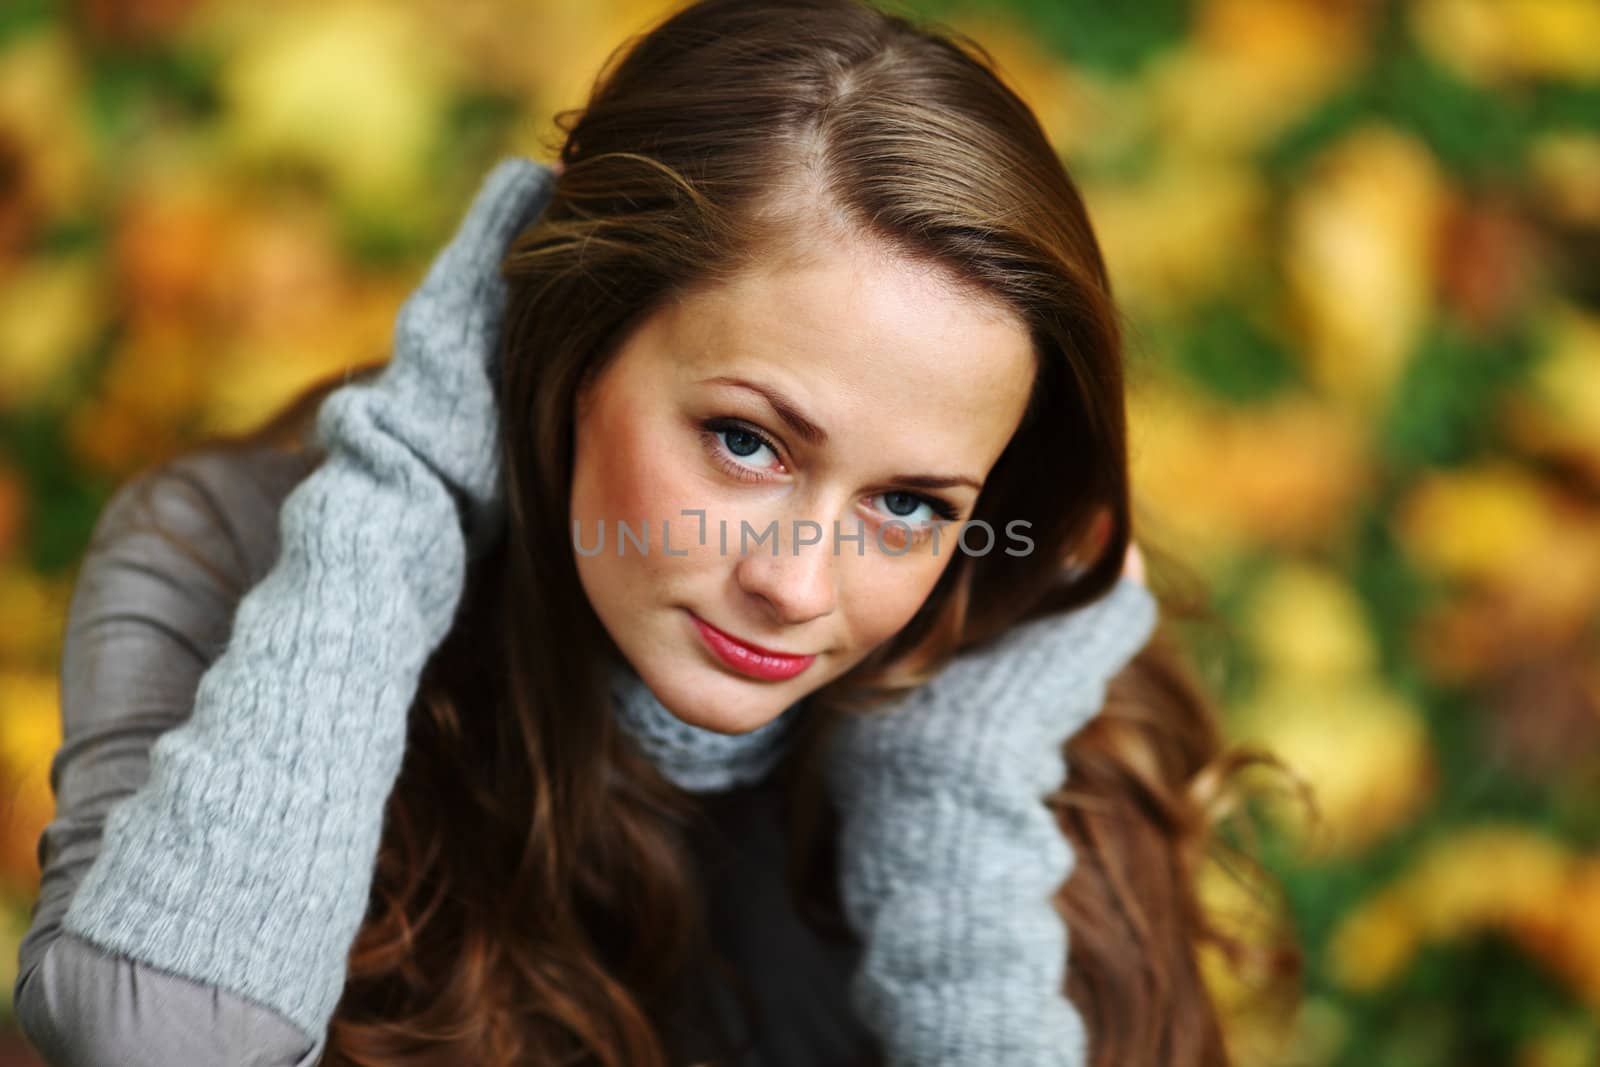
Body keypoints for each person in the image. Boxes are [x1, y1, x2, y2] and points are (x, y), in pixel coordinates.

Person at [14, 0, 1297, 1064]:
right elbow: (156, 1039)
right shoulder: (237, 556)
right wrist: (401, 494)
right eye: (747, 441)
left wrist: (948, 799)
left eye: (907, 504)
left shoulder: (1009, 674)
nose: (797, 585)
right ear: (571, 349)